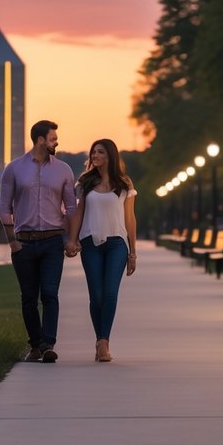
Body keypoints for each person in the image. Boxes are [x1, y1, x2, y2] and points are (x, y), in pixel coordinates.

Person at [0, 120, 77, 363]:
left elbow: (72, 207)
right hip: (24, 243)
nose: (57, 142)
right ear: (41, 140)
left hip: (52, 241)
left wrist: (69, 238)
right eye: (53, 138)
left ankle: (48, 344)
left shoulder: (63, 169)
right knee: (29, 297)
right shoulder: (13, 169)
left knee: (50, 294)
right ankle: (36, 345)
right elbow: (4, 208)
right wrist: (12, 242)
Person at [65, 138, 137, 362]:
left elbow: (130, 218)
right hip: (90, 244)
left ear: (110, 156)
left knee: (109, 293)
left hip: (117, 243)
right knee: (96, 295)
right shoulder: (85, 183)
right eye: (93, 152)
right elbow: (78, 213)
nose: (95, 156)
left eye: (100, 152)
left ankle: (104, 342)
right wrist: (72, 240)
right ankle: (99, 340)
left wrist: (132, 252)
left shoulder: (124, 184)